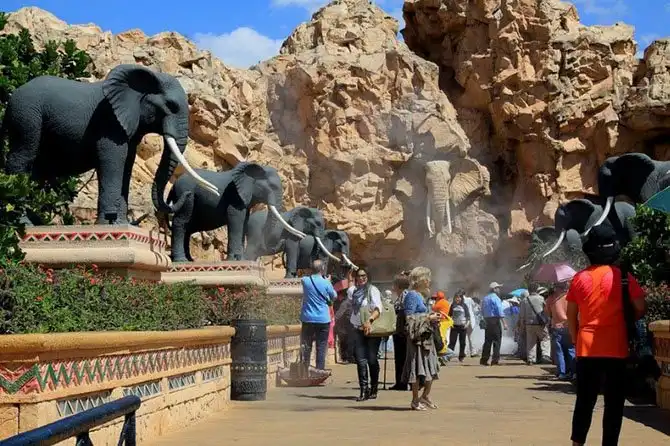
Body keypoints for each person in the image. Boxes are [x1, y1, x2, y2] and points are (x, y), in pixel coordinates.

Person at [567, 224, 647, 446]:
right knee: (614, 403)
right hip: (616, 346)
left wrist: (575, 338)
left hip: (587, 347)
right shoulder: (624, 277)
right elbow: (640, 307)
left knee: (585, 400)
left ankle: (577, 443)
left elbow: (571, 314)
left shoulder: (579, 278)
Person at [402, 266, 441, 410]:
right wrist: (428, 317)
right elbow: (409, 318)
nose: (429, 281)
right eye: (427, 278)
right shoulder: (412, 295)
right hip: (417, 340)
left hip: (426, 337)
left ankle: (425, 396)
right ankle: (415, 400)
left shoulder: (421, 295)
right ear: (420, 280)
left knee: (431, 367)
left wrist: (432, 318)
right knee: (417, 368)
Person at [347, 268, 384, 401]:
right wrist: (349, 277)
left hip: (371, 329)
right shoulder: (353, 291)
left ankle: (374, 387)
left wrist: (369, 320)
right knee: (361, 360)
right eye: (359, 275)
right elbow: (350, 290)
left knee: (372, 359)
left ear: (368, 277)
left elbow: (378, 308)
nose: (361, 278)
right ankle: (364, 390)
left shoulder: (372, 290)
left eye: (364, 275)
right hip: (357, 329)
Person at [299, 259, 337, 370]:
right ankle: (319, 370)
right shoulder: (326, 283)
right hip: (323, 319)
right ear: (323, 269)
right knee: (321, 346)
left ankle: (304, 370)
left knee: (306, 345)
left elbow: (302, 276)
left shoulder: (305, 281)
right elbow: (334, 296)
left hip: (308, 318)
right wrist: (327, 281)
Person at [545, 280, 575, 380]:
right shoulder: (570, 296)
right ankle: (573, 372)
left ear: (555, 286)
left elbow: (547, 312)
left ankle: (562, 373)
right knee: (571, 349)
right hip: (569, 326)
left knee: (559, 351)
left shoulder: (551, 298)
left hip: (557, 327)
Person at [519, 284, 551, 366]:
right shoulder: (541, 299)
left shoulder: (524, 300)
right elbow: (546, 310)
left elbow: (522, 315)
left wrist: (522, 326)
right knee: (545, 338)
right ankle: (545, 355)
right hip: (540, 323)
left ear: (529, 290)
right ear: (536, 289)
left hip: (529, 324)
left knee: (530, 342)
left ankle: (531, 359)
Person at [390, 273, 410, 391]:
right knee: (399, 359)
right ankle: (400, 382)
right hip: (399, 331)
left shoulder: (405, 296)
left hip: (403, 332)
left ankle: (403, 382)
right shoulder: (400, 296)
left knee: (402, 358)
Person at [480, 281, 507, 366]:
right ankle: (495, 360)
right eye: (498, 288)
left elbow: (482, 311)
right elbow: (499, 311)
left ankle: (484, 359)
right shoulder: (496, 298)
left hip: (487, 320)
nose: (499, 289)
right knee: (496, 341)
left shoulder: (485, 298)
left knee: (487, 341)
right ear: (494, 289)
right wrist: (504, 323)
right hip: (495, 321)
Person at [447, 290, 471, 362]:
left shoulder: (464, 305)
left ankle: (461, 356)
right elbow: (449, 316)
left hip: (462, 326)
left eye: (459, 297)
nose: (457, 299)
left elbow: (468, 316)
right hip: (454, 326)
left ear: (461, 298)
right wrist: (450, 324)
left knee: (462, 343)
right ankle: (448, 356)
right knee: (452, 342)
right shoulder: (452, 305)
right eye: (456, 297)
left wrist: (467, 324)